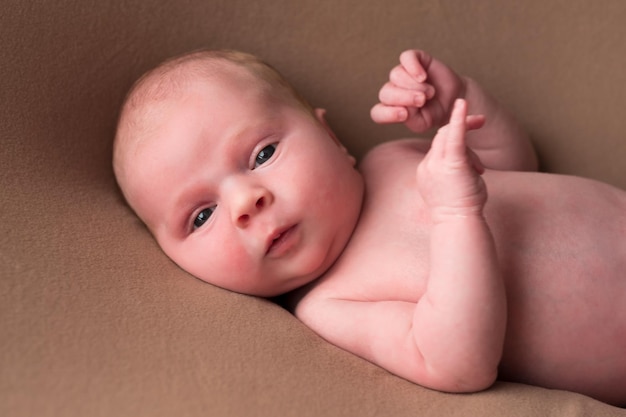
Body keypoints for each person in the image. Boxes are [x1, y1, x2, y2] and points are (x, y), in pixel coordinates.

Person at [113, 49, 626, 406]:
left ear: (331, 136)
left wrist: (460, 103)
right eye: (201, 216)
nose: (246, 201)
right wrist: (455, 216)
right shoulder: (331, 306)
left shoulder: (391, 157)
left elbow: (514, 165)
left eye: (263, 153)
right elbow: (456, 362)